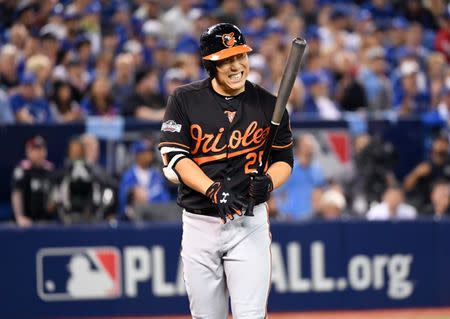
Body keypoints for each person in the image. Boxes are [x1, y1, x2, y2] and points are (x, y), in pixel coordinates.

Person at [159, 23, 294, 318]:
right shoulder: (184, 99)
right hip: (200, 222)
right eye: (226, 60)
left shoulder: (269, 105)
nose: (236, 66)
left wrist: (270, 182)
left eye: (240, 56)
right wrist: (212, 189)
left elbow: (284, 159)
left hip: (249, 222)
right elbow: (175, 157)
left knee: (250, 314)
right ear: (210, 64)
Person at [11, 135, 55, 227]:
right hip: (27, 221)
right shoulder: (22, 170)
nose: (40, 152)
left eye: (42, 149)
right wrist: (20, 217)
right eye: (35, 149)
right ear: (28, 151)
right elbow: (16, 193)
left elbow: (54, 192)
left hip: (46, 221)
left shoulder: (50, 169)